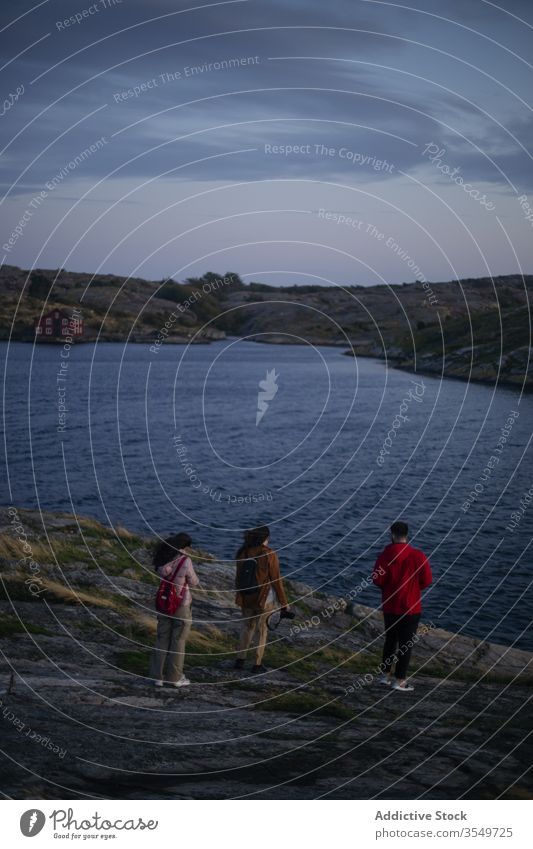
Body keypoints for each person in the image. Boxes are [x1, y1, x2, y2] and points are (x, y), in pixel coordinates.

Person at [372, 521, 432, 692]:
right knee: (405, 645)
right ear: (407, 535)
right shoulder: (418, 555)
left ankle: (384, 676)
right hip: (411, 607)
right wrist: (413, 588)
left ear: (392, 535)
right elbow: (427, 580)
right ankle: (399, 681)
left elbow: (377, 579)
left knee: (390, 641)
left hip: (390, 606)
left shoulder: (384, 555)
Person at [234, 526, 290, 673]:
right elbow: (276, 580)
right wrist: (284, 603)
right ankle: (257, 664)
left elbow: (239, 577)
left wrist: (239, 595)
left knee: (247, 627)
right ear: (265, 538)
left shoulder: (243, 552)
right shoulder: (269, 554)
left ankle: (240, 660)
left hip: (245, 596)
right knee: (262, 630)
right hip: (263, 599)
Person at [149, 532, 199, 688]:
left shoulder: (164, 557)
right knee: (178, 641)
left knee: (161, 639)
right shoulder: (186, 560)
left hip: (164, 603)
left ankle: (156, 676)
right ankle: (174, 678)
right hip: (180, 605)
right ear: (185, 547)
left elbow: (161, 572)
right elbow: (193, 581)